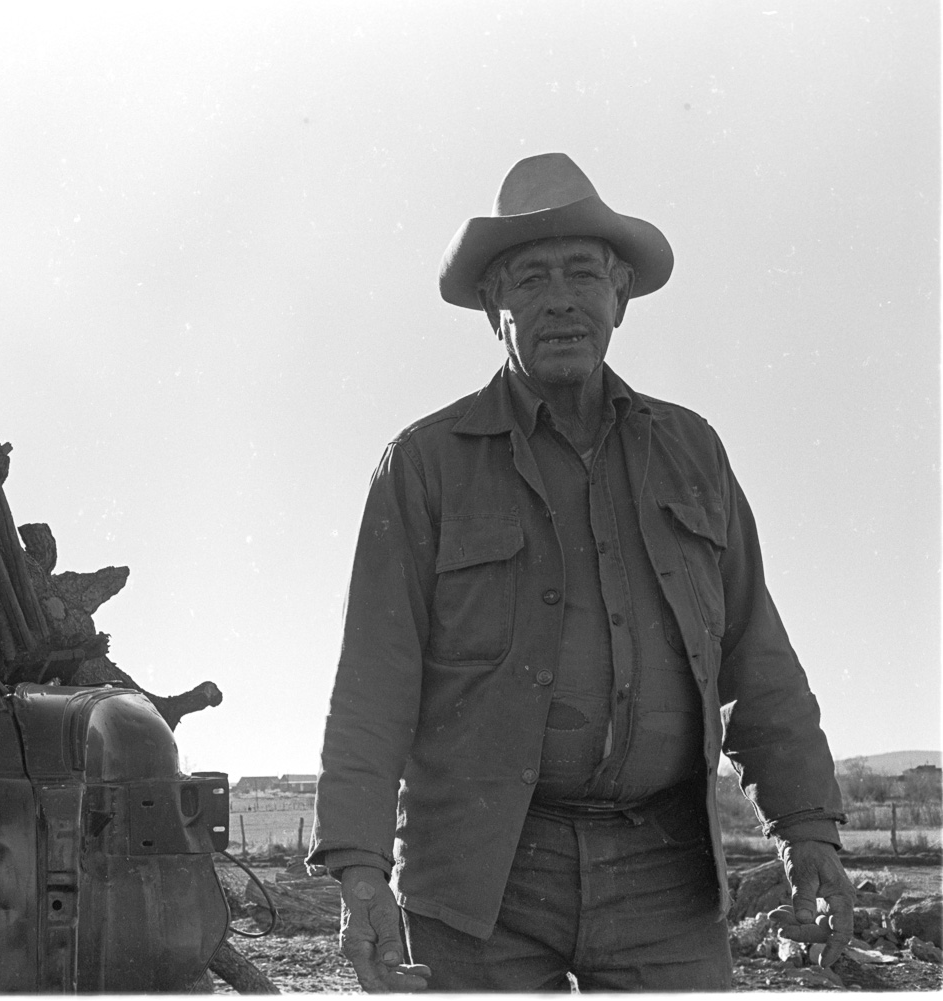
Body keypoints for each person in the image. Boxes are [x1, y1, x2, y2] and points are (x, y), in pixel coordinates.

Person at [307, 152, 854, 992]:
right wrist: (358, 867)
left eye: (581, 274)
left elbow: (759, 659)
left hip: (665, 878)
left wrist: (809, 830)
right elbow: (373, 686)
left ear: (621, 297)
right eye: (529, 279)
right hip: (478, 880)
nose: (559, 298)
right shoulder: (423, 466)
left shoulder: (693, 451)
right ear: (494, 306)